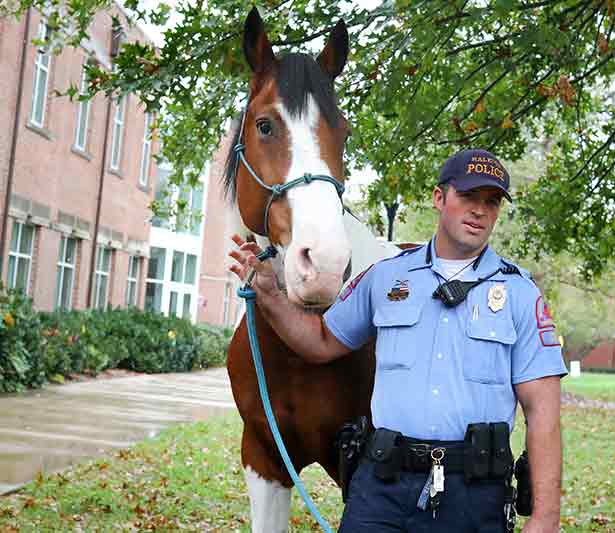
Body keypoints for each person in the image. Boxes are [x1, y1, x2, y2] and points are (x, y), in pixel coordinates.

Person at [229, 148, 567, 533]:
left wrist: (545, 516)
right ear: (439, 198)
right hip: (383, 488)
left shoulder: (520, 293)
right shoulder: (384, 278)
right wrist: (270, 296)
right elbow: (320, 341)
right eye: (468, 196)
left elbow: (543, 412)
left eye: (491, 202)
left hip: (474, 494)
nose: (479, 210)